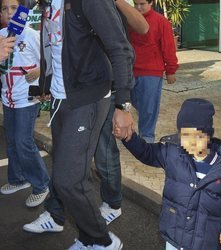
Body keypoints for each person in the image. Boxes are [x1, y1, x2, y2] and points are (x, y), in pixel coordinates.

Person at [24, 0, 135, 249]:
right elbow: (53, 48)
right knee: (67, 167)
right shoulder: (46, 3)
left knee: (69, 179)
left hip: (89, 97)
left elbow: (120, 48)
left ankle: (101, 240)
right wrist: (45, 86)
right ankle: (57, 217)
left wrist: (123, 104)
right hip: (61, 97)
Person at [114, 98, 221, 250]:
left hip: (206, 242)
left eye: (195, 136)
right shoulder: (172, 152)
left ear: (208, 135)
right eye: (183, 135)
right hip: (175, 235)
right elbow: (147, 153)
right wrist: (129, 138)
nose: (188, 142)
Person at [95, 0, 149, 225]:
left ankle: (113, 202)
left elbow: (143, 27)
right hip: (85, 85)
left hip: (111, 84)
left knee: (104, 148)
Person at [0, 0, 49, 207]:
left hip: (26, 99)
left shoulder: (31, 35)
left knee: (23, 141)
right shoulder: (2, 37)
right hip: (7, 98)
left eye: (13, 8)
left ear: (22, 12)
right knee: (11, 140)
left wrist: (39, 72)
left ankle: (41, 184)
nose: (9, 12)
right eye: (4, 8)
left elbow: (48, 61)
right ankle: (18, 179)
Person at [129, 0, 178, 143]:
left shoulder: (161, 21)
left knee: (149, 106)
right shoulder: (129, 19)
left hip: (151, 71)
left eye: (142, 4)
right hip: (131, 70)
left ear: (151, 3)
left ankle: (147, 137)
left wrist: (171, 70)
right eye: (136, 4)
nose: (138, 7)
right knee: (136, 102)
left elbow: (168, 47)